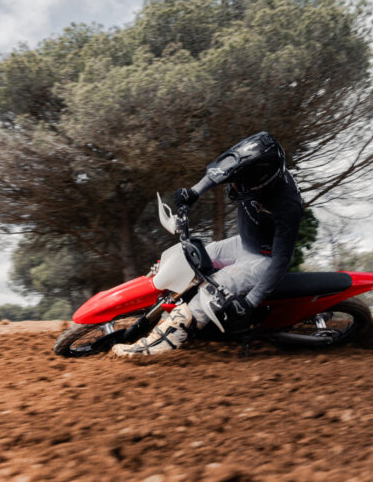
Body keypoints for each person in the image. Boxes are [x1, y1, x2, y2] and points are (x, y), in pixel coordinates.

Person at [111, 131, 303, 357]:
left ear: (262, 182)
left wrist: (250, 302)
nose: (235, 186)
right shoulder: (252, 162)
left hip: (265, 259)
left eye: (241, 183)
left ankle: (165, 341)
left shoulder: (288, 205)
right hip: (244, 243)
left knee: (212, 291)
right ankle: (167, 312)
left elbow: (281, 259)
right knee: (191, 257)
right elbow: (221, 171)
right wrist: (194, 192)